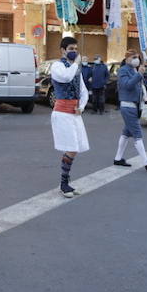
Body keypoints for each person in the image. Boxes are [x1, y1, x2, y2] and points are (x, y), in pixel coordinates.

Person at [49, 36, 90, 197]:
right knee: (71, 148)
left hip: (74, 113)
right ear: (63, 50)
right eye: (71, 49)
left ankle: (65, 182)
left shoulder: (76, 68)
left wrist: (82, 106)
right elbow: (65, 77)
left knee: (76, 148)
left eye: (75, 49)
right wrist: (75, 64)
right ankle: (64, 183)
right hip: (61, 112)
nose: (74, 52)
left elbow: (83, 90)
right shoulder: (57, 66)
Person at [112, 51, 147, 171]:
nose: (136, 60)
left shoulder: (135, 71)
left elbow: (142, 89)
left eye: (137, 57)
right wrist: (139, 74)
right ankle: (146, 162)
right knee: (137, 133)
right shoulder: (123, 70)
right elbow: (126, 85)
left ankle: (118, 158)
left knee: (126, 133)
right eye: (133, 57)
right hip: (128, 106)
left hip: (136, 106)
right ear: (127, 58)